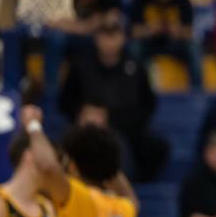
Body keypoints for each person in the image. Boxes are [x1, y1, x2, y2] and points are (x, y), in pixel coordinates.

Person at [58, 11, 169, 182]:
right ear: (97, 38)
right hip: (85, 131)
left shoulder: (136, 68)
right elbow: (64, 101)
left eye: (114, 34)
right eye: (104, 35)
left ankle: (127, 187)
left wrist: (113, 119)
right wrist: (83, 114)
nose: (109, 41)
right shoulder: (81, 67)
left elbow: (147, 105)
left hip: (125, 131)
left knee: (150, 148)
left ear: (123, 38)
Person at [129, 0, 203, 91]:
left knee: (194, 47)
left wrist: (176, 31)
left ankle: (197, 91)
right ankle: (132, 90)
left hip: (174, 43)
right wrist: (151, 30)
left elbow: (189, 32)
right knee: (134, 47)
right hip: (149, 42)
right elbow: (134, 32)